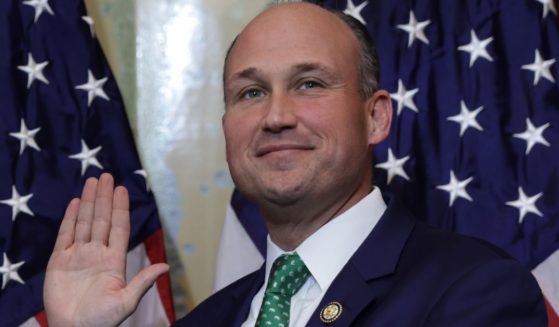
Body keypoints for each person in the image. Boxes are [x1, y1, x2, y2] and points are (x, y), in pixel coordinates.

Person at [44, 2, 547, 326]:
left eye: (310, 84)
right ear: (226, 127)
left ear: (375, 118)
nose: (276, 116)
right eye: (251, 92)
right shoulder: (208, 320)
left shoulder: (476, 293)